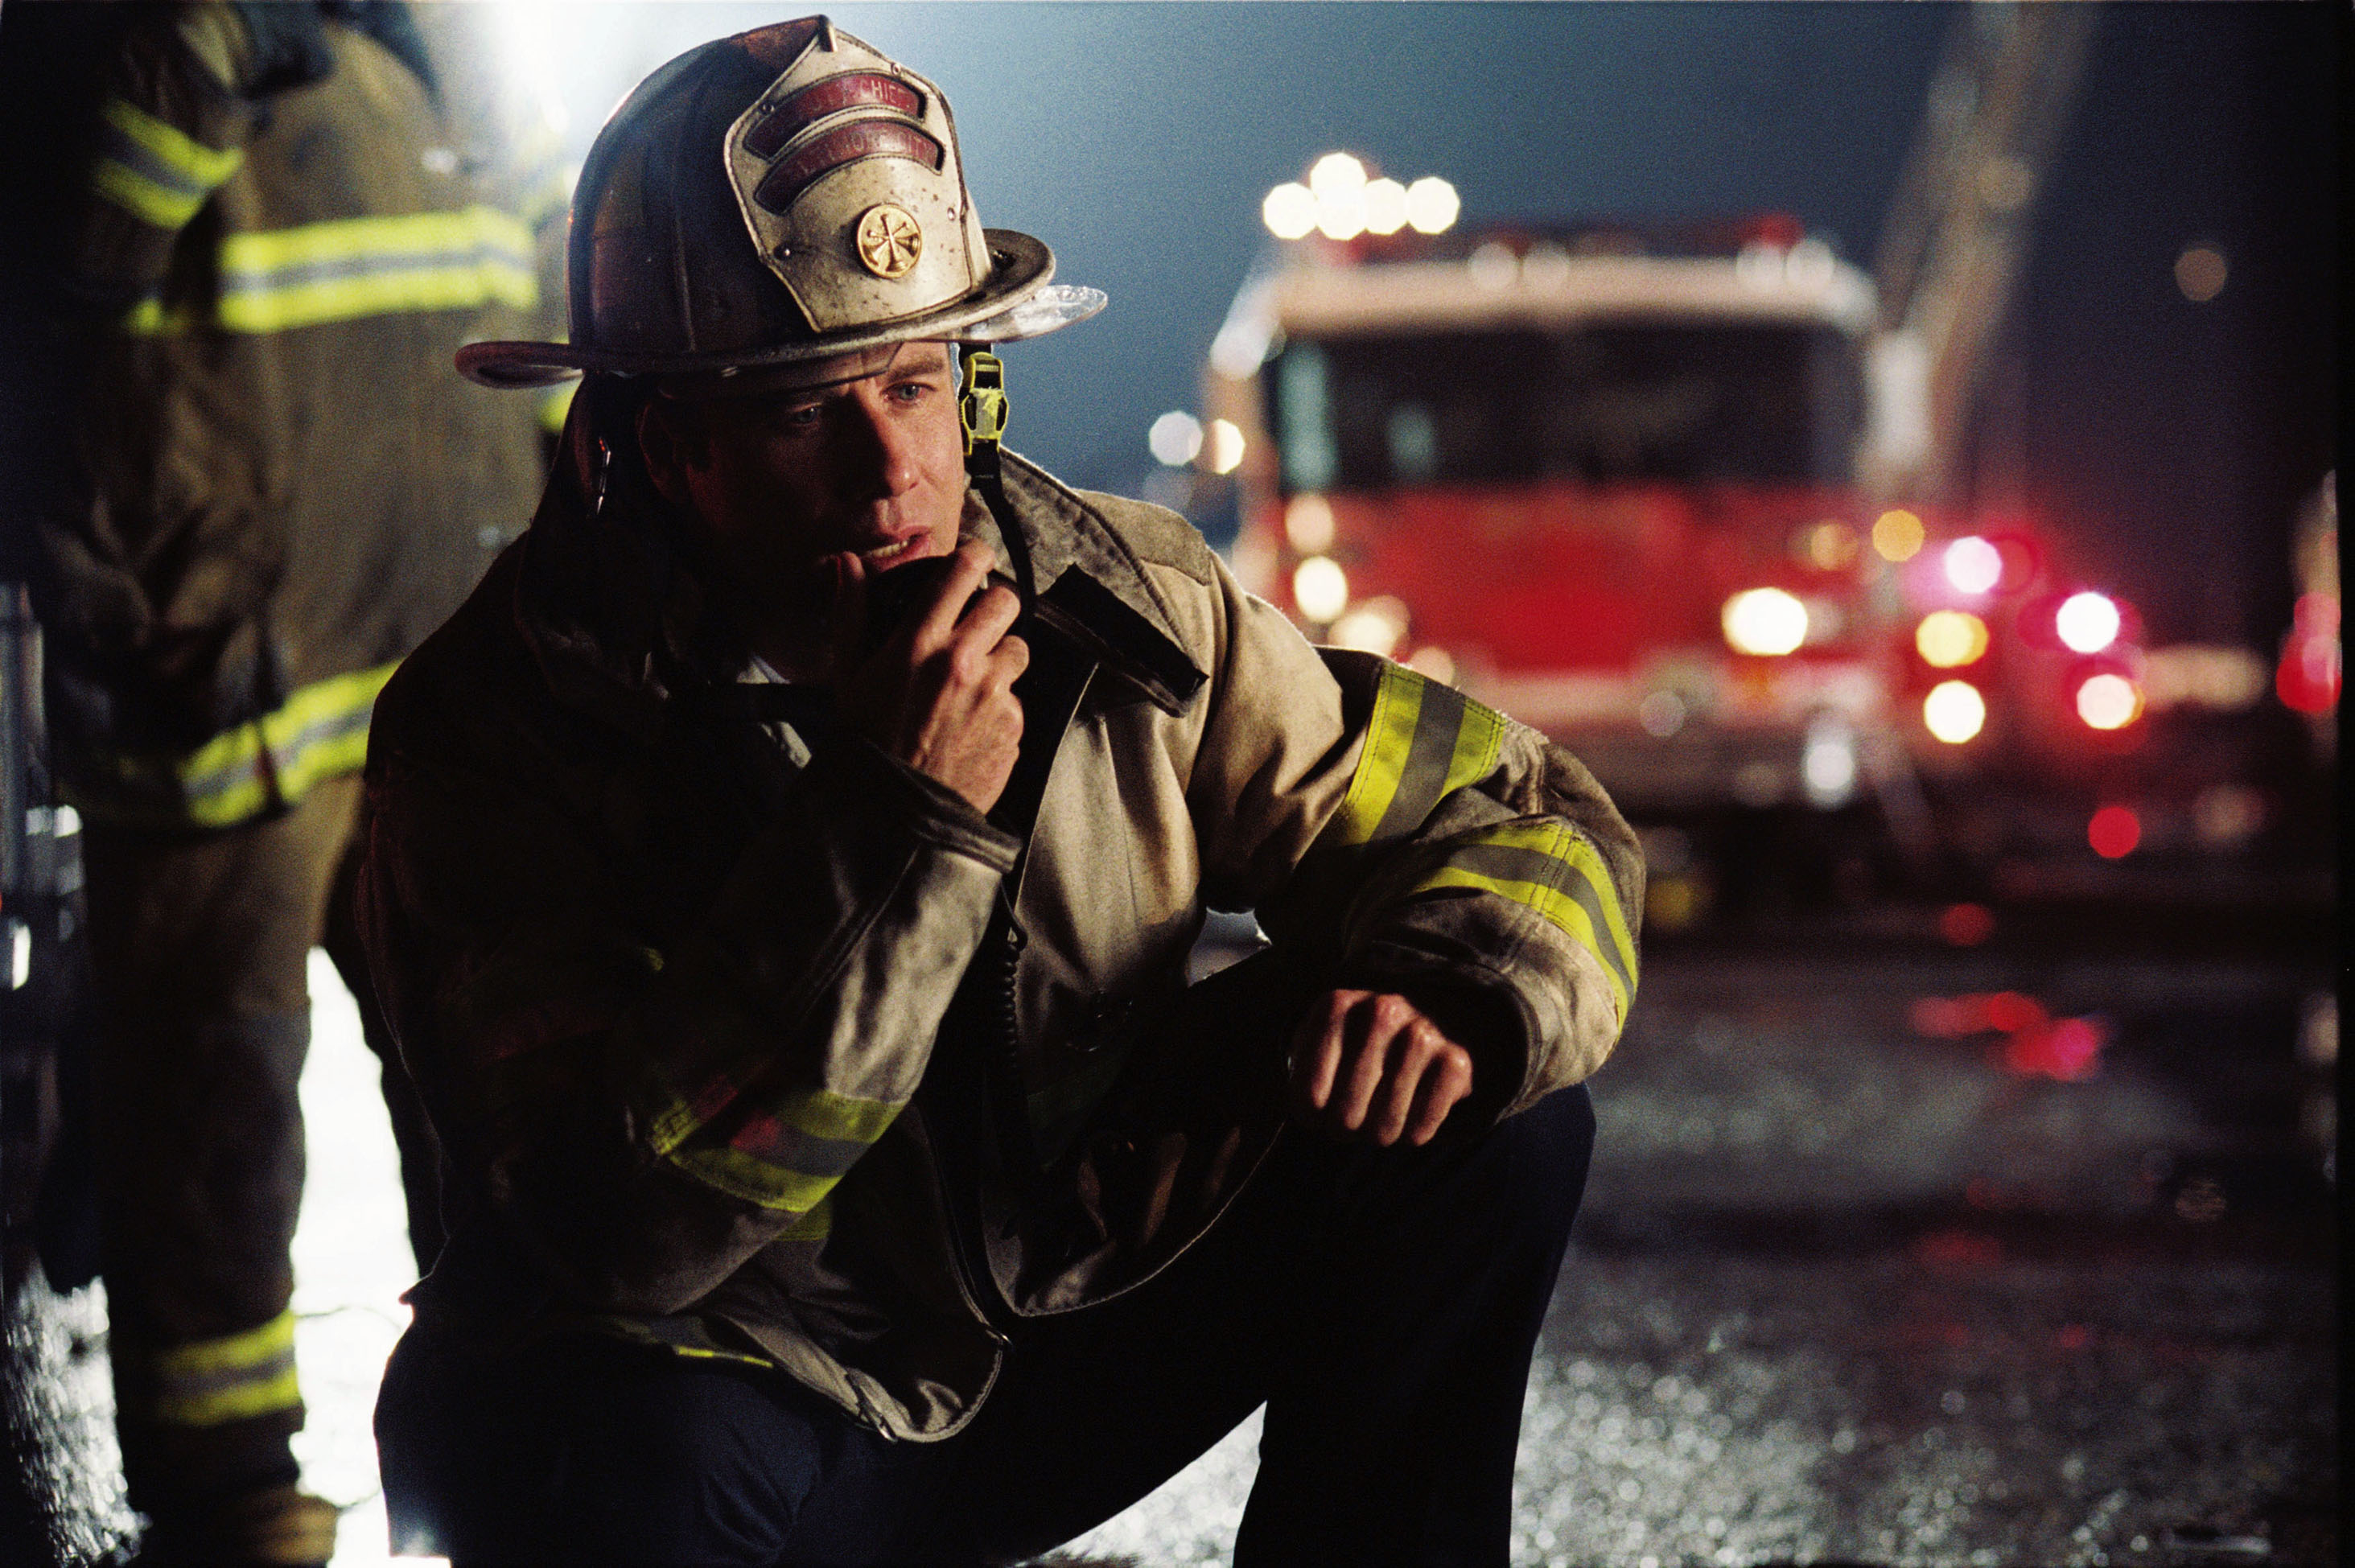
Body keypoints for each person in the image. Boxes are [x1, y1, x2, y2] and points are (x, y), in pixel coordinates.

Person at [360, 18, 1643, 1566]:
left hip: (1041, 1341)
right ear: (661, 444)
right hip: (712, 1402)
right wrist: (899, 825)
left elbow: (1517, 819)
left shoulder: (1129, 606)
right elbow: (620, 1232)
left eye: (912, 384)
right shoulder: (501, 724)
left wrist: (1456, 993)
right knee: (598, 1448)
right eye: (797, 408)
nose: (888, 472)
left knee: (1488, 1119)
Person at [3, 4, 560, 1561]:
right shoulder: (169, 42)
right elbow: (75, 259)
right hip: (225, 687)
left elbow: (554, 281)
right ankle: (229, 1492)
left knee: (493, 1089)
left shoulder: (439, 46)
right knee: (210, 1117)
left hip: (434, 675)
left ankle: (500, 1438)